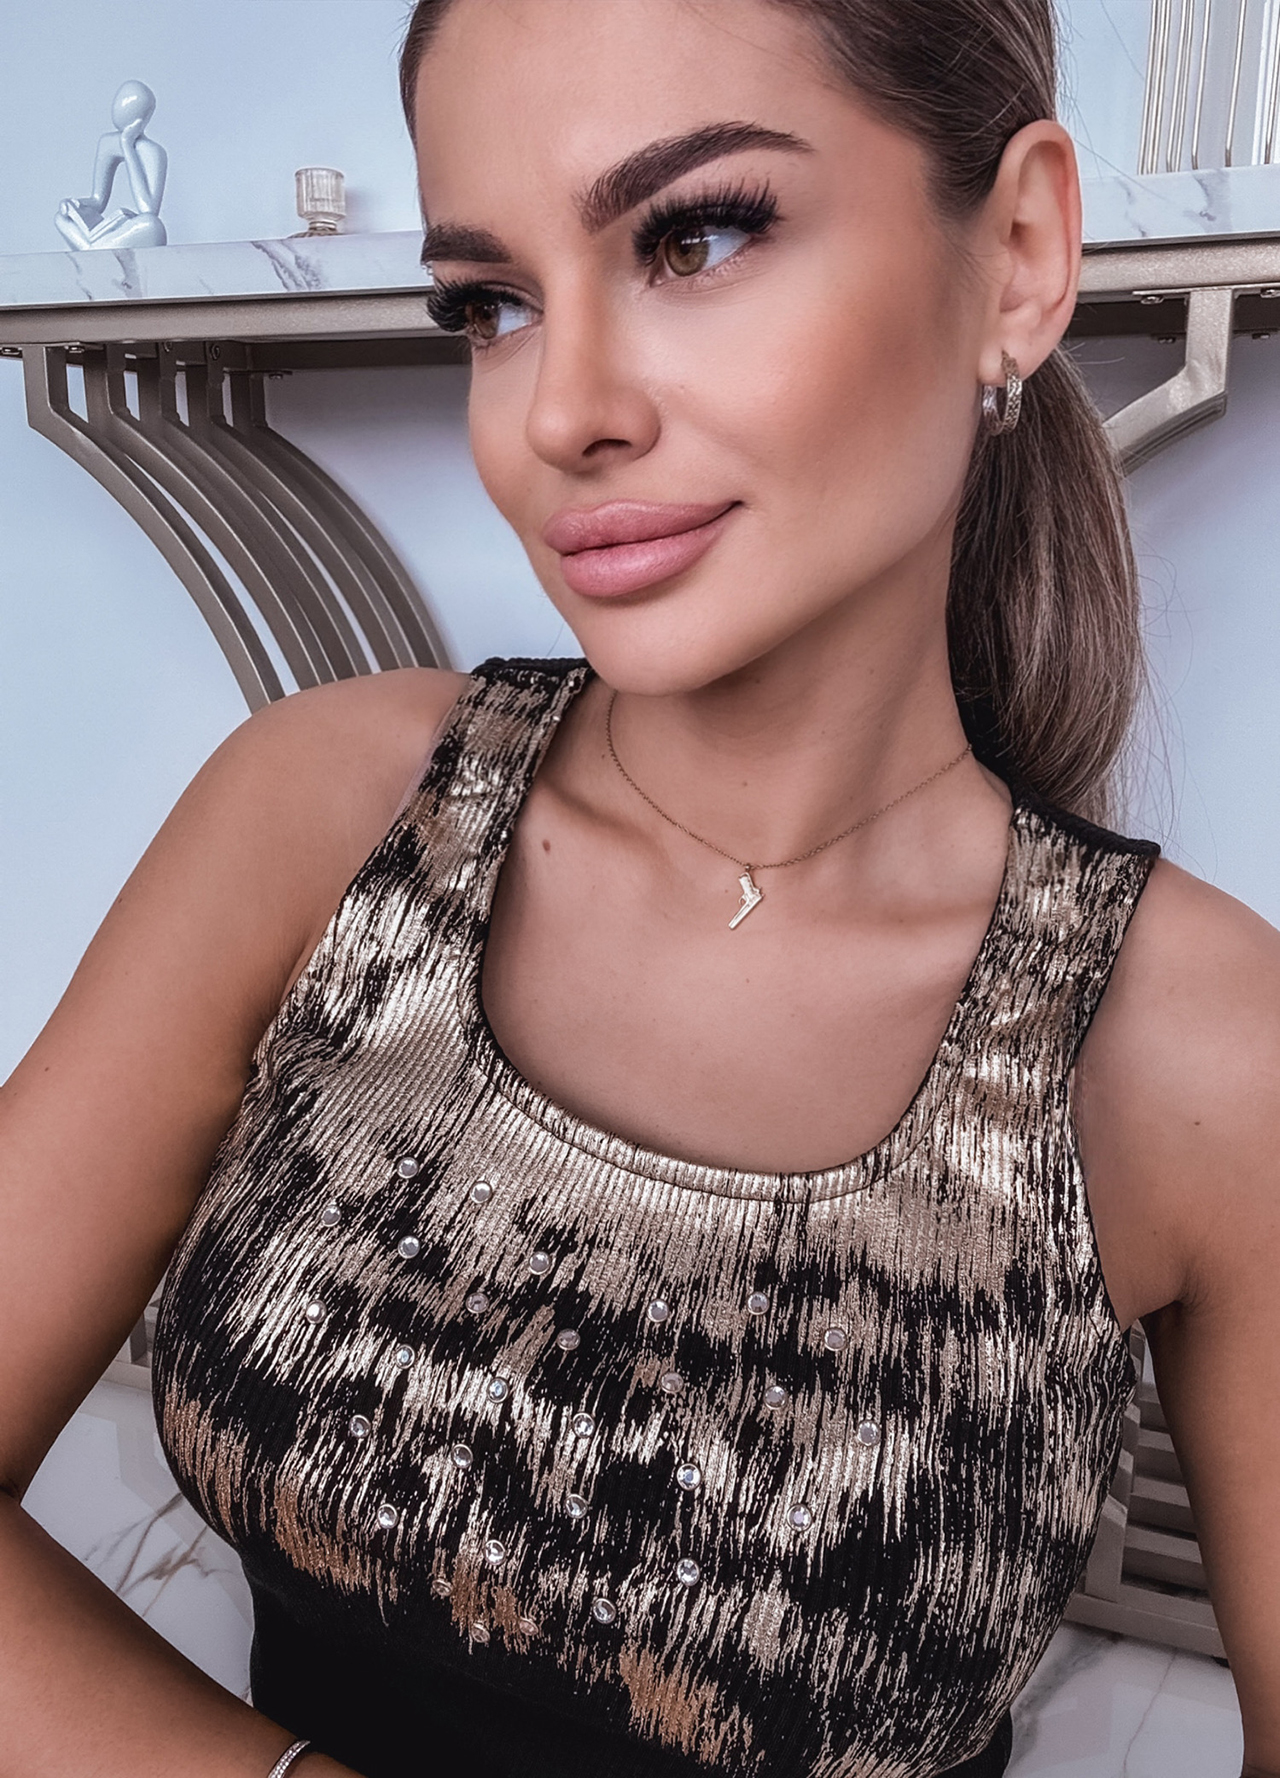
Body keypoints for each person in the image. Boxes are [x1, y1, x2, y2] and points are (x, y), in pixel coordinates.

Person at [1, 1, 1277, 1774]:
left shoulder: (1201, 1046)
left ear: (1019, 254)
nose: (561, 413)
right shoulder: (326, 810)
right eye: (490, 303)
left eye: (699, 236)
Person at [55, 79, 168, 252]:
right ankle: (93, 249)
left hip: (133, 228)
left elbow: (148, 209)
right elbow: (98, 200)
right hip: (105, 235)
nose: (119, 110)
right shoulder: (107, 143)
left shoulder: (154, 152)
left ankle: (91, 251)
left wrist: (127, 146)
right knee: (62, 218)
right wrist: (75, 204)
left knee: (153, 226)